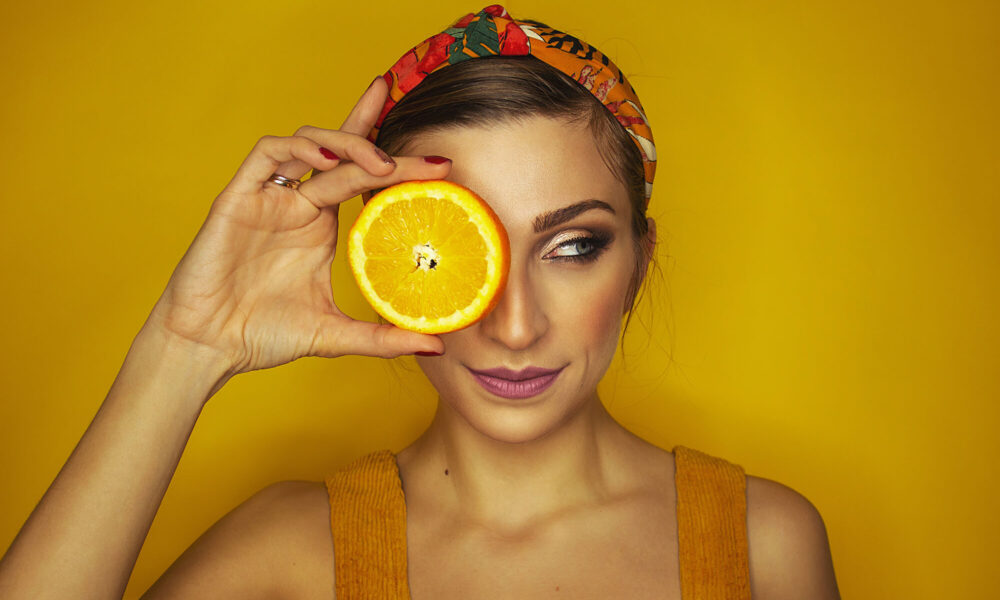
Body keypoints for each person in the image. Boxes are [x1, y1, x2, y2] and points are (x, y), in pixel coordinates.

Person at [0, 5, 840, 599]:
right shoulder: (289, 552)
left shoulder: (763, 544)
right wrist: (188, 345)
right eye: (460, 251)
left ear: (636, 264)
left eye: (572, 246)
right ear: (387, 260)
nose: (514, 325)